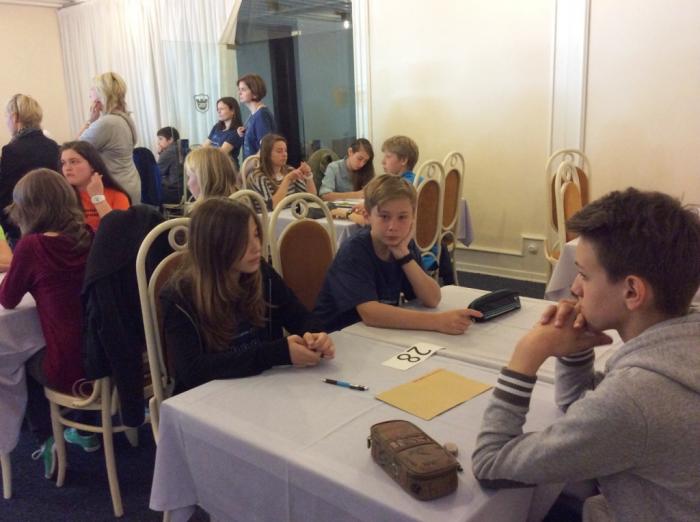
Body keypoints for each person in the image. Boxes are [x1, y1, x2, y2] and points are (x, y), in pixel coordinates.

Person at [471, 188, 700, 522]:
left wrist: (526, 356)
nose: (575, 288)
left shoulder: (632, 400)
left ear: (632, 291)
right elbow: (579, 405)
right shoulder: (685, 335)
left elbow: (491, 464)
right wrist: (577, 350)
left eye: (584, 274)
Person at [160, 198, 335, 393]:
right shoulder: (179, 297)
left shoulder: (261, 273)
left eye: (256, 235)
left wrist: (315, 336)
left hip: (264, 387)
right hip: (210, 397)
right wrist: (276, 354)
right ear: (216, 246)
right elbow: (193, 371)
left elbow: (299, 316)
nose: (256, 246)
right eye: (243, 240)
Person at [0, 169, 95, 478]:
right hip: (101, 358)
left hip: (68, 368)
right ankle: (85, 430)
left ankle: (46, 438)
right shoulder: (88, 235)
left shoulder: (32, 247)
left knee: (18, 358)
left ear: (29, 209)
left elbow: (7, 298)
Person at [314, 175, 481, 332]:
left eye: (402, 217)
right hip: (336, 335)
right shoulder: (355, 250)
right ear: (368, 215)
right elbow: (370, 313)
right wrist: (437, 322)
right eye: (384, 217)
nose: (393, 227)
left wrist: (403, 255)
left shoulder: (402, 245)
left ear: (413, 218)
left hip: (374, 333)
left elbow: (432, 298)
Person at [0, 94, 59, 245]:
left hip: (22, 226)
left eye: (6, 117)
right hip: (53, 222)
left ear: (15, 118)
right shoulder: (53, 146)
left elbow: (5, 195)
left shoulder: (11, 151)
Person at [78, 72, 141, 204]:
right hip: (129, 184)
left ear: (102, 94)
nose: (89, 94)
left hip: (116, 189)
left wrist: (89, 121)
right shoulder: (124, 118)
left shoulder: (107, 123)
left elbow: (74, 150)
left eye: (92, 89)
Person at [60, 141, 131, 231]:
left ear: (92, 165)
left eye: (73, 162)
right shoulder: (61, 197)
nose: (67, 168)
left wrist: (98, 198)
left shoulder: (117, 196)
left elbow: (118, 232)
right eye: (63, 163)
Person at [248, 133, 316, 210]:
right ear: (267, 154)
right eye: (279, 151)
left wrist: (308, 175)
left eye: (285, 151)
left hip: (292, 214)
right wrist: (287, 180)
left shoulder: (289, 170)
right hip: (271, 217)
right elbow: (271, 207)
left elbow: (311, 198)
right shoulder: (258, 177)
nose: (284, 154)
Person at [237, 73, 276, 160]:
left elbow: (265, 147)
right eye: (239, 89)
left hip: (258, 166)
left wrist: (250, 165)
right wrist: (244, 133)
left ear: (255, 93)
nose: (239, 93)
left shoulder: (261, 115)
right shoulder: (253, 114)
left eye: (243, 89)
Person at [202, 97, 243, 169]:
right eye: (218, 109)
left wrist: (207, 151)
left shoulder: (237, 131)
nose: (219, 111)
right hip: (213, 168)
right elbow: (204, 147)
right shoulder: (216, 127)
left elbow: (220, 153)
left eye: (222, 109)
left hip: (228, 170)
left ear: (232, 111)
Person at [156, 126, 183, 204]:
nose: (158, 142)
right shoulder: (183, 147)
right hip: (187, 191)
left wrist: (161, 153)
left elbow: (156, 173)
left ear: (170, 139)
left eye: (160, 139)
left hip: (174, 193)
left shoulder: (168, 153)